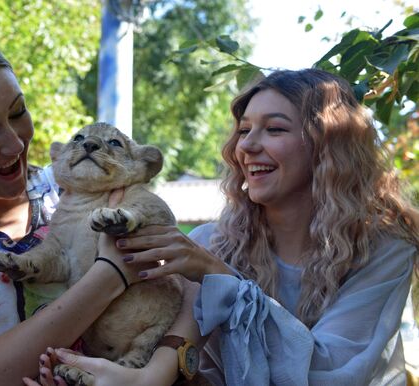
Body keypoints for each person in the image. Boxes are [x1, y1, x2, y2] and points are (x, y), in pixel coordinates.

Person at [40, 69, 418, 385]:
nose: (246, 146)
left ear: (326, 147)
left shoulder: (384, 249)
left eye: (274, 129)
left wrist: (219, 278)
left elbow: (330, 371)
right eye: (244, 129)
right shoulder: (210, 243)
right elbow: (186, 368)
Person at [0, 30, 200, 386]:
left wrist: (153, 375)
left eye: (17, 112)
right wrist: (110, 275)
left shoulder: (79, 183)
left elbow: (189, 288)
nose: (15, 143)